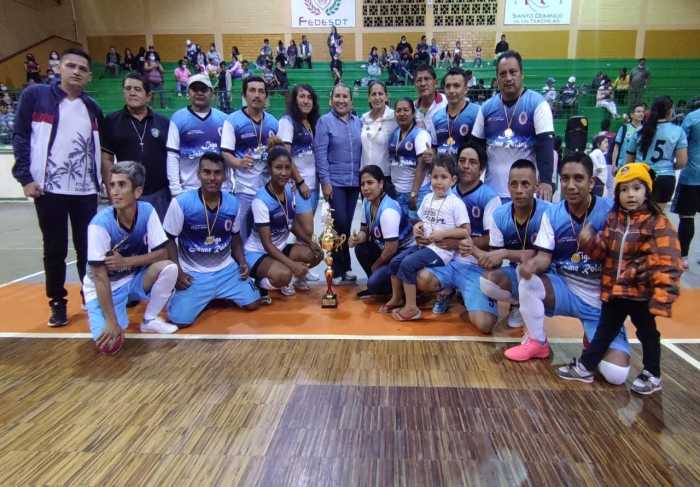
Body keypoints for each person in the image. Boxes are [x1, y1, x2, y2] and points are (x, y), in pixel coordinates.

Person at [506, 154, 633, 387]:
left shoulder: (610, 211)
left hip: (602, 303)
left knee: (616, 375)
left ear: (591, 182)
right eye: (565, 179)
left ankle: (592, 334)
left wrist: (598, 242)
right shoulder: (553, 214)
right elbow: (544, 257)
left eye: (578, 178)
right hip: (566, 290)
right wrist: (531, 265)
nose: (571, 185)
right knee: (526, 278)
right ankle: (537, 342)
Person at [558, 162, 682, 394]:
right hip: (614, 292)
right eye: (624, 190)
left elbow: (669, 261)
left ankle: (653, 374)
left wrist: (662, 297)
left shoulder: (658, 223)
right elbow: (603, 252)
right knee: (605, 331)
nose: (630, 195)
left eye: (636, 188)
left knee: (648, 334)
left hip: (639, 295)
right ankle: (586, 366)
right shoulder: (614, 219)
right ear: (617, 194)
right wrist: (590, 242)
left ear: (647, 190)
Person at [12, 48, 102, 326]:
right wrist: (25, 177)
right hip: (48, 189)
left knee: (88, 247)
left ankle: (90, 295)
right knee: (55, 248)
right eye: (71, 66)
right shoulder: (35, 96)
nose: (76, 72)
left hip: (85, 190)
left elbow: (101, 149)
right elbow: (20, 136)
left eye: (82, 69)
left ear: (88, 76)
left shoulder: (92, 108)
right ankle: (58, 301)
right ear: (59, 68)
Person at [83, 161, 178, 354]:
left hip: (133, 277)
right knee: (109, 346)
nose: (115, 191)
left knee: (169, 267)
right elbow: (100, 277)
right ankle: (110, 315)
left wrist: (126, 262)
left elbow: (163, 253)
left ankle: (149, 320)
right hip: (102, 286)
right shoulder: (99, 225)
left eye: (122, 185)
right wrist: (111, 322)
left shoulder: (147, 211)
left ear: (137, 191)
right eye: (112, 185)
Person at [164, 152, 260, 327]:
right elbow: (169, 239)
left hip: (226, 270)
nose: (212, 178)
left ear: (225, 176)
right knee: (179, 320)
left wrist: (242, 261)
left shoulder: (233, 203)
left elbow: (235, 237)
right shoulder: (181, 203)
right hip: (194, 272)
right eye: (206, 172)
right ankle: (193, 296)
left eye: (217, 173)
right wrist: (177, 270)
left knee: (253, 304)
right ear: (198, 174)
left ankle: (215, 294)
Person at [416, 143, 501, 331]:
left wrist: (457, 243)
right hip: (447, 261)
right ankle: (446, 291)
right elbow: (428, 224)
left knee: (485, 325)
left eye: (472, 162)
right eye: (462, 161)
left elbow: (492, 240)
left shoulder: (489, 197)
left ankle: (467, 292)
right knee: (421, 278)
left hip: (473, 266)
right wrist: (422, 232)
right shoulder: (444, 190)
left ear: (482, 168)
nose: (466, 165)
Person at [381, 155, 469, 321]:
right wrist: (417, 227)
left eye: (444, 177)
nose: (439, 182)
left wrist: (444, 234)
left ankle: (412, 308)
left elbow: (465, 232)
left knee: (408, 264)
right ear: (430, 178)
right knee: (395, 262)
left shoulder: (455, 203)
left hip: (440, 251)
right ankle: (397, 298)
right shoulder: (428, 198)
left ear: (453, 180)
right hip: (424, 246)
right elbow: (421, 220)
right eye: (435, 177)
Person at [244, 138, 323, 302]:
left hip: (279, 247)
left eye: (287, 168)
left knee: (316, 254)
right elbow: (267, 244)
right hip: (258, 252)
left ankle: (282, 274)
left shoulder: (288, 189)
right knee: (284, 275)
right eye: (278, 168)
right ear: (269, 169)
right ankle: (260, 283)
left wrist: (309, 241)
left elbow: (291, 222)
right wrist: (293, 266)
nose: (284, 172)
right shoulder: (261, 201)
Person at [477, 159, 551, 330]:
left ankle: (537, 305)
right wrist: (483, 256)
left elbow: (543, 256)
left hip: (543, 272)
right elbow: (495, 258)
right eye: (514, 184)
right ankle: (517, 303)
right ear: (508, 186)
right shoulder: (499, 215)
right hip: (514, 271)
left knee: (531, 269)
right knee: (487, 279)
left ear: (536, 186)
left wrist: (504, 253)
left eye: (525, 184)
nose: (519, 190)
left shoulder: (548, 212)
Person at [472, 50, 555, 201]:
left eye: (513, 72)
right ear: (497, 79)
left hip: (525, 195)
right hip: (492, 194)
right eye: (502, 74)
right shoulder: (486, 108)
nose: (508, 78)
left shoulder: (537, 104)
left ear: (522, 74)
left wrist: (546, 182)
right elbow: (475, 147)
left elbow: (546, 145)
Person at [101, 73, 171, 220]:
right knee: (130, 240)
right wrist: (111, 191)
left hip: (159, 194)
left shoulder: (164, 123)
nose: (132, 92)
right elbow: (106, 159)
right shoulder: (111, 122)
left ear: (148, 95)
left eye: (137, 89)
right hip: (127, 194)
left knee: (162, 240)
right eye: (128, 88)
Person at [314, 83, 362, 284]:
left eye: (345, 97)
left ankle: (344, 267)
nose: (341, 100)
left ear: (351, 101)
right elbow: (320, 154)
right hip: (335, 182)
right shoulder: (324, 122)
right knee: (339, 222)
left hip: (354, 183)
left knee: (346, 224)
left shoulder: (358, 122)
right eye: (338, 96)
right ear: (331, 99)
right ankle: (339, 267)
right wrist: (325, 182)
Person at [221, 76, 279, 243]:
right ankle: (244, 265)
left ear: (266, 96)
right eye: (252, 90)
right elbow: (225, 153)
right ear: (244, 95)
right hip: (243, 189)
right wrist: (238, 163)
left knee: (267, 230)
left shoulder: (273, 122)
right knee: (242, 231)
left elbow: (277, 153)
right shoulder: (232, 121)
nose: (257, 95)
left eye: (261, 91)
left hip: (267, 188)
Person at [351, 165, 414, 298]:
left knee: (374, 282)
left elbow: (391, 248)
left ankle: (396, 289)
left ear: (381, 184)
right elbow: (365, 231)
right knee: (361, 248)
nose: (366, 188)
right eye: (362, 184)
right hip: (387, 249)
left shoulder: (388, 210)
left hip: (403, 252)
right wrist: (357, 238)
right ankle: (379, 284)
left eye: (370, 183)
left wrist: (376, 265)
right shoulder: (367, 203)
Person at [166, 74, 228, 197]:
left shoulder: (224, 119)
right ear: (188, 92)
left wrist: (228, 187)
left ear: (211, 92)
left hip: (221, 189)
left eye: (204, 89)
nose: (199, 93)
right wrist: (175, 189)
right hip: (188, 190)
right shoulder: (178, 118)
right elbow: (172, 156)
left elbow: (229, 155)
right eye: (195, 89)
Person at [278, 84, 321, 240]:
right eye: (302, 96)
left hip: (313, 186)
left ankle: (300, 265)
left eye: (309, 97)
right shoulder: (287, 121)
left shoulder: (312, 123)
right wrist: (299, 181)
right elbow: (285, 156)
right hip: (298, 187)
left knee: (303, 236)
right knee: (307, 232)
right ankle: (290, 263)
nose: (306, 101)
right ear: (294, 100)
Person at [627, 96, 688, 206]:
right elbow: (682, 162)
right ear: (670, 111)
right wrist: (670, 167)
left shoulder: (640, 130)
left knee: (639, 217)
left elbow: (629, 161)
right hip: (665, 178)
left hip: (641, 176)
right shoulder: (678, 131)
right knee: (659, 218)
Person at [388, 98, 433, 221]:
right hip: (398, 192)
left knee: (417, 234)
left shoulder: (420, 134)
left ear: (413, 113)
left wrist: (414, 192)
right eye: (398, 111)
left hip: (416, 193)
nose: (402, 113)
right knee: (403, 232)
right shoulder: (394, 134)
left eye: (406, 110)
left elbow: (422, 165)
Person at [431, 67, 480, 157]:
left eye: (456, 86)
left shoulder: (477, 113)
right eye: (448, 86)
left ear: (466, 89)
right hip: (442, 170)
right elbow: (434, 148)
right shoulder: (436, 117)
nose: (451, 90)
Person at [674, 106, 700, 268]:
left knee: (687, 217)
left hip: (692, 175)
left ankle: (682, 257)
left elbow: (680, 143)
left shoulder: (692, 118)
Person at [361, 81, 398, 178]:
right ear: (369, 98)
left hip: (386, 176)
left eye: (380, 94)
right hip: (365, 176)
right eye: (373, 94)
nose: (377, 97)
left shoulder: (394, 117)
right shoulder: (363, 119)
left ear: (386, 96)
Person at [413, 65, 447, 135]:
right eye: (419, 80)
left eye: (427, 79)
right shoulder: (412, 108)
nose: (423, 83)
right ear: (415, 84)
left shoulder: (447, 102)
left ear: (435, 82)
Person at [611, 102, 645, 168]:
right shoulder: (624, 128)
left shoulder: (645, 130)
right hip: (622, 166)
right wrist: (613, 164)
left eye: (643, 112)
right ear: (632, 115)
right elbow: (616, 147)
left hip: (639, 167)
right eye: (638, 112)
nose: (641, 114)